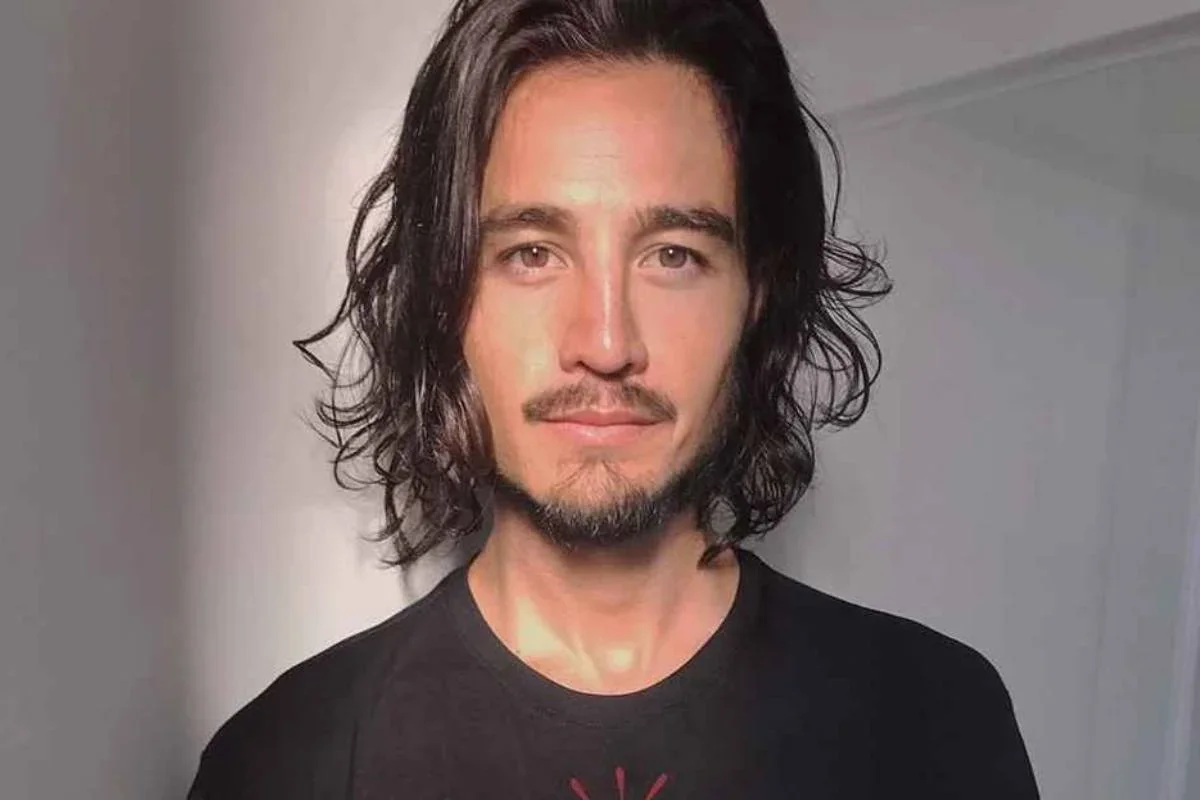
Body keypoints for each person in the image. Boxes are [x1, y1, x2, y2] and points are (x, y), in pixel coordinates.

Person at [188, 0, 1040, 797]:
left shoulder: (935, 722)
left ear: (755, 296)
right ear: (446, 300)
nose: (604, 343)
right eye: (531, 253)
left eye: (673, 255)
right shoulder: (282, 760)